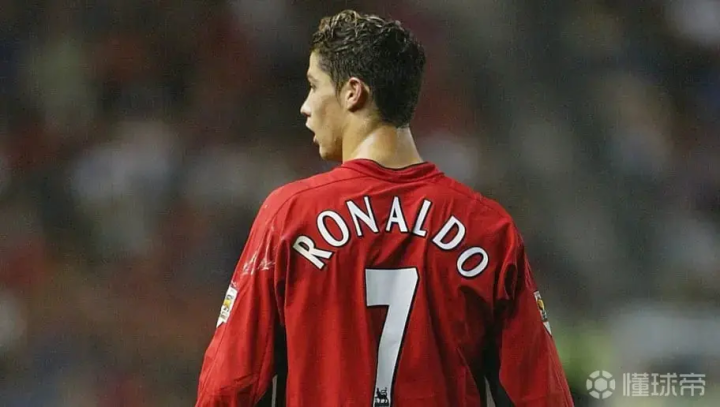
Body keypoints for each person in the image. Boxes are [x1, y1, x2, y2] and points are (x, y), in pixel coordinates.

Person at [195, 9, 573, 407]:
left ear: (352, 92)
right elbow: (540, 396)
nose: (305, 106)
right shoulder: (489, 229)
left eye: (314, 86)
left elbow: (229, 387)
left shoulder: (290, 217)